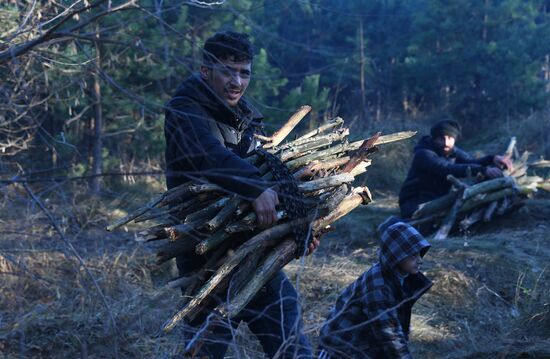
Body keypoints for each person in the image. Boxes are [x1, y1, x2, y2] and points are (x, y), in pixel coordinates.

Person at [164, 31, 313, 358]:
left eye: (244, 72)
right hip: (207, 259)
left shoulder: (243, 118)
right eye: (227, 71)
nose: (236, 81)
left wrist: (299, 228)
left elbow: (270, 174)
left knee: (293, 348)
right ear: (206, 71)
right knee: (204, 351)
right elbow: (207, 155)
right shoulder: (184, 111)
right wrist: (254, 186)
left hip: (256, 255)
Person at [318, 222, 432, 359]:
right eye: (413, 256)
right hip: (339, 350)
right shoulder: (378, 284)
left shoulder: (401, 277)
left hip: (365, 346)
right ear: (396, 256)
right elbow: (389, 333)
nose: (420, 260)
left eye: (420, 254)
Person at [398, 119, 513, 219]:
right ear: (434, 139)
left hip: (437, 198)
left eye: (450, 138)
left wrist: (492, 158)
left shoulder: (451, 150)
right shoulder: (424, 154)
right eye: (441, 139)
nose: (446, 143)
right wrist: (483, 170)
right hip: (415, 200)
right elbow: (446, 168)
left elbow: (471, 161)